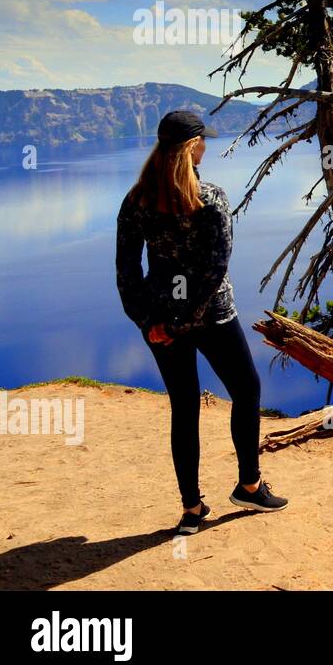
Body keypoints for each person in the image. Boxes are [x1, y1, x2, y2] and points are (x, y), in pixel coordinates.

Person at [115, 109, 288, 535]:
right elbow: (214, 270)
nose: (206, 147)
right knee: (246, 389)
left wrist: (150, 320)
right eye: (203, 141)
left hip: (161, 318)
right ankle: (249, 484)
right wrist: (182, 320)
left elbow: (126, 269)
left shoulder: (137, 199)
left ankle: (192, 510)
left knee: (184, 406)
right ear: (192, 146)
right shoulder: (211, 197)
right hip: (212, 315)